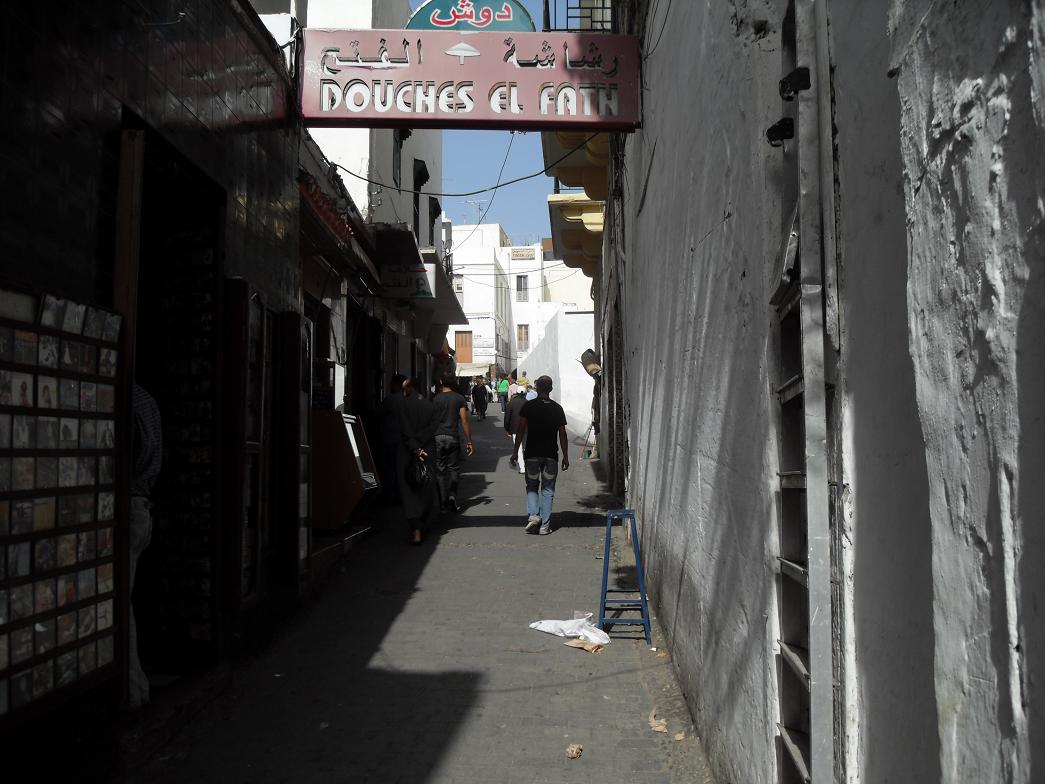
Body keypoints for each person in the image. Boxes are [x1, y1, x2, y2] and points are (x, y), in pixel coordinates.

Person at [128, 384, 162, 708]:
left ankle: (133, 689)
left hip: (128, 503)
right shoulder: (147, 400)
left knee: (118, 602)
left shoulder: (125, 398)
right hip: (143, 504)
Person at [510, 376, 569, 535]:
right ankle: (544, 527)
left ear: (536, 388)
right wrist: (565, 456)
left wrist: (515, 452)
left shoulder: (528, 406)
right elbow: (562, 434)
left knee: (532, 486)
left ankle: (534, 516)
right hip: (551, 455)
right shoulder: (557, 408)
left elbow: (520, 430)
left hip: (532, 454)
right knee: (548, 490)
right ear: (551, 389)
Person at [398, 379, 440, 544]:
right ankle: (423, 522)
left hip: (406, 451)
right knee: (426, 484)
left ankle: (415, 527)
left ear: (410, 388)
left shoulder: (404, 405)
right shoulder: (431, 406)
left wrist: (414, 446)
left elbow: (404, 429)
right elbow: (434, 426)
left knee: (408, 488)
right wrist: (421, 443)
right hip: (428, 449)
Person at [432, 377, 474, 513]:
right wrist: (469, 441)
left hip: (438, 436)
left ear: (441, 382)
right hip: (452, 436)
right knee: (454, 468)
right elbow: (464, 421)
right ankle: (452, 496)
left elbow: (432, 419)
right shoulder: (459, 398)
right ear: (454, 383)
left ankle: (442, 503)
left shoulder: (436, 399)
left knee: (440, 470)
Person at [377, 374, 407, 505]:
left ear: (396, 385)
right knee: (402, 470)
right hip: (405, 440)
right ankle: (401, 496)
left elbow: (378, 414)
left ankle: (389, 496)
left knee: (389, 469)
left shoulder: (390, 399)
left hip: (390, 439)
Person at [504, 384, 528, 474]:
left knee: (518, 448)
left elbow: (507, 418)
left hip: (514, 429)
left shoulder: (511, 403)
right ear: (525, 394)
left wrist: (507, 429)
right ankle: (527, 465)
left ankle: (522, 468)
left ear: (516, 393)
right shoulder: (528, 403)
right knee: (526, 447)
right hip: (526, 429)